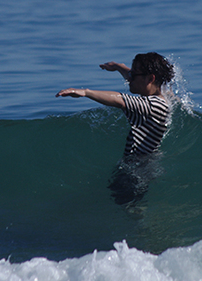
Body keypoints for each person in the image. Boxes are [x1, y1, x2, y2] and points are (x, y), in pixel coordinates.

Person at [57, 52, 174, 204]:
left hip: (138, 170)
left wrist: (86, 93)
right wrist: (119, 67)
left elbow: (121, 100)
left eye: (133, 74)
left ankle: (144, 225)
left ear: (150, 78)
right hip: (139, 164)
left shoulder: (154, 105)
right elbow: (134, 77)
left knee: (129, 206)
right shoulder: (161, 93)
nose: (129, 78)